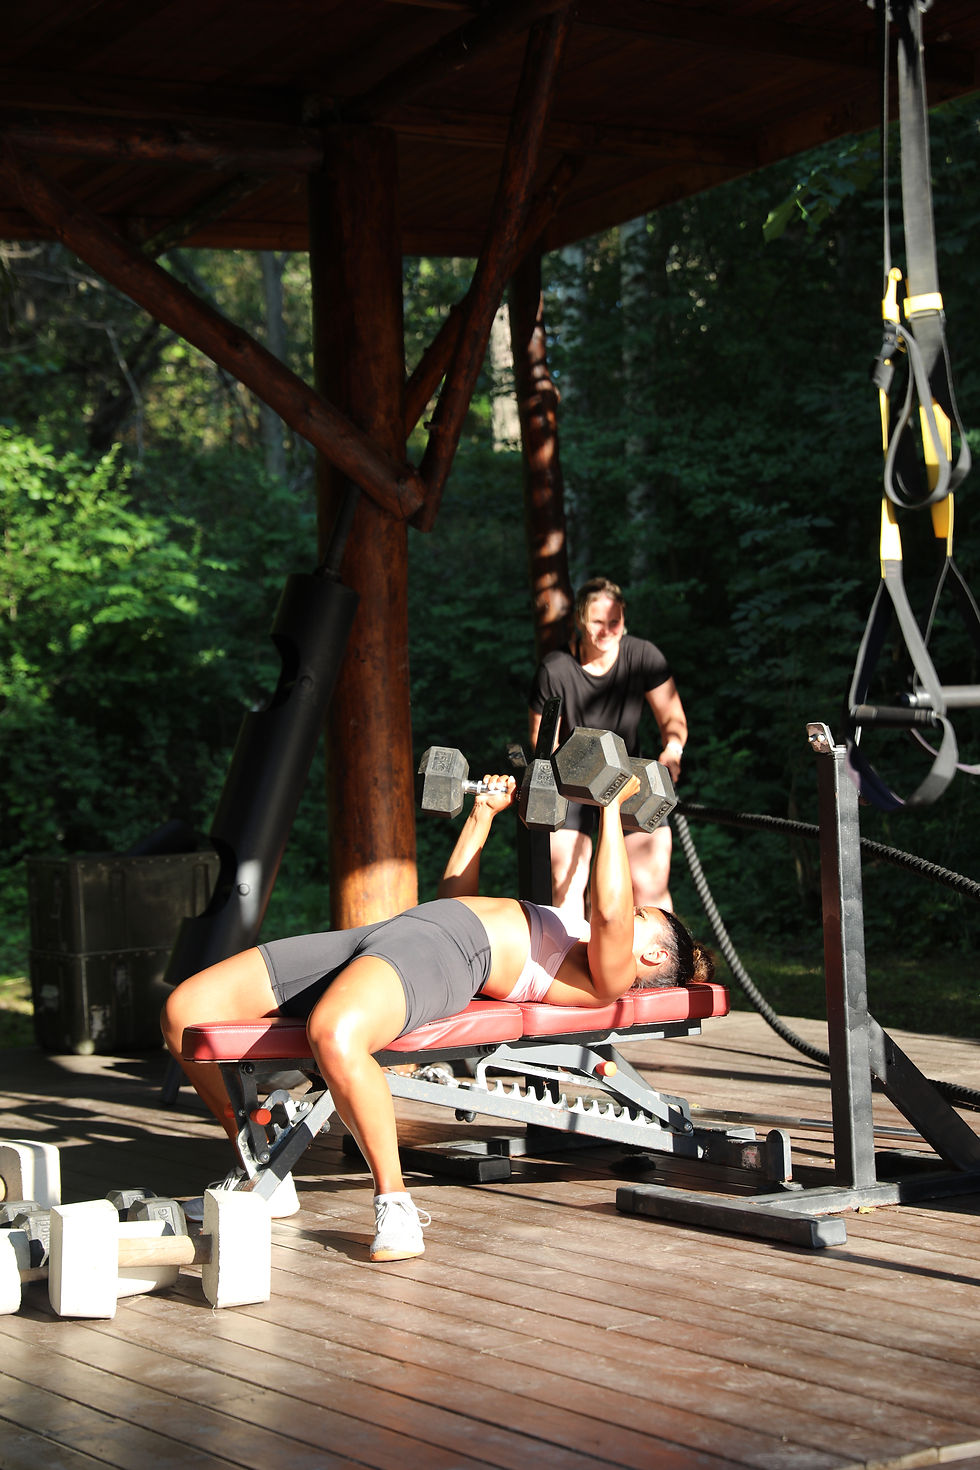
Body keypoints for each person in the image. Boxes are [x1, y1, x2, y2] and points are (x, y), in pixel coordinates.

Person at [161, 770, 712, 1263]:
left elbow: (610, 908)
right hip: (402, 929)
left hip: (444, 955)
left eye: (642, 918)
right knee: (184, 1010)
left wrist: (610, 806)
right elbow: (456, 898)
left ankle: (395, 1204)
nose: (625, 915)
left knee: (335, 1034)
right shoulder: (577, 940)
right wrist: (481, 816)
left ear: (652, 958)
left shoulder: (608, 977)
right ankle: (262, 1168)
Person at [528, 575, 688, 920]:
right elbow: (543, 742)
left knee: (649, 884)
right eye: (598, 622)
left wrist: (672, 751)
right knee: (566, 882)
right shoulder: (555, 669)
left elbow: (672, 718)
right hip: (571, 782)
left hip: (631, 778)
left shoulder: (644, 655)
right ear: (581, 621)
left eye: (614, 621)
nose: (607, 630)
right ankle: (570, 966)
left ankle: (661, 969)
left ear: (624, 618)